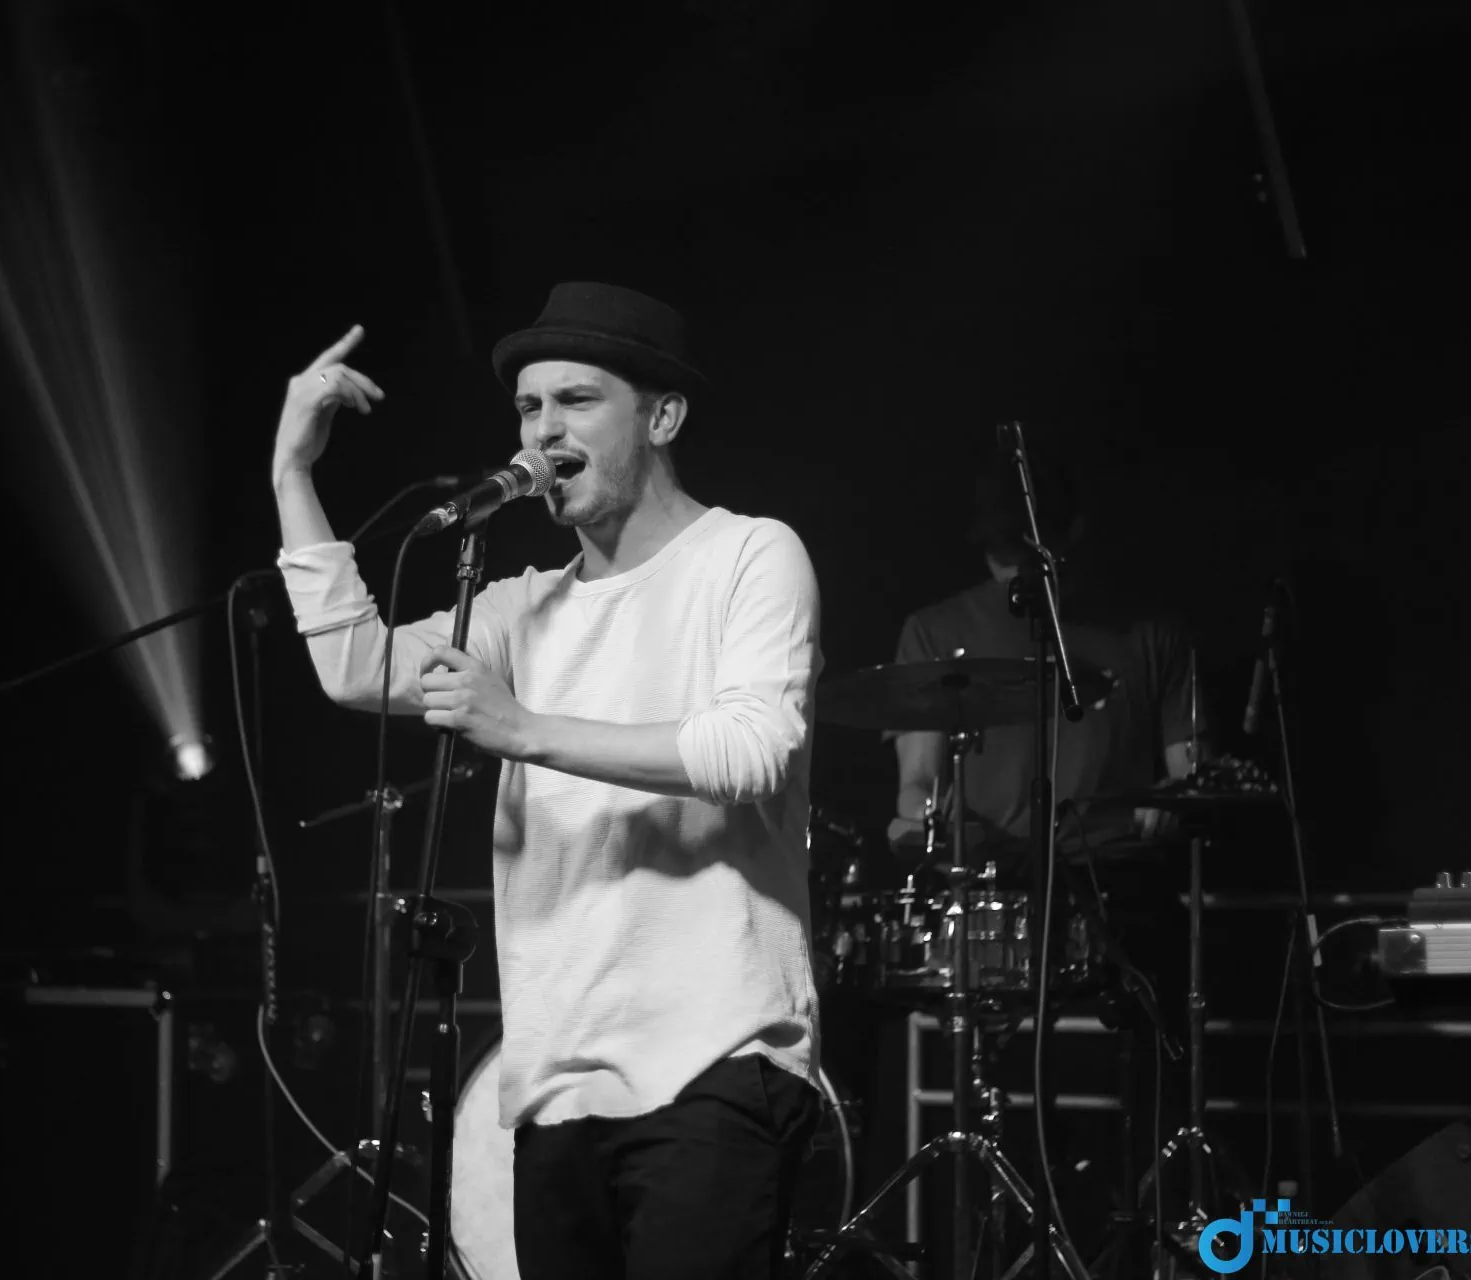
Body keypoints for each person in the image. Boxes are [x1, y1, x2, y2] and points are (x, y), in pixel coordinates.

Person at [271, 282, 824, 1279]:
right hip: (559, 1081)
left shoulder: (750, 553)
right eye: (529, 407)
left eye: (575, 400)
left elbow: (753, 749)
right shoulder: (518, 607)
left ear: (662, 417)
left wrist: (524, 729)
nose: (542, 430)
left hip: (716, 1058)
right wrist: (293, 472)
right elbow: (355, 666)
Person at [887, 451, 1202, 861]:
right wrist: (930, 814)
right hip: (990, 878)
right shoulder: (933, 632)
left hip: (1118, 873)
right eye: (1000, 550)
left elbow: (1194, 776)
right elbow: (916, 784)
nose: (1013, 570)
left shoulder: (1153, 632)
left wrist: (1169, 801)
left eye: (1023, 550)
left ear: (1074, 530)